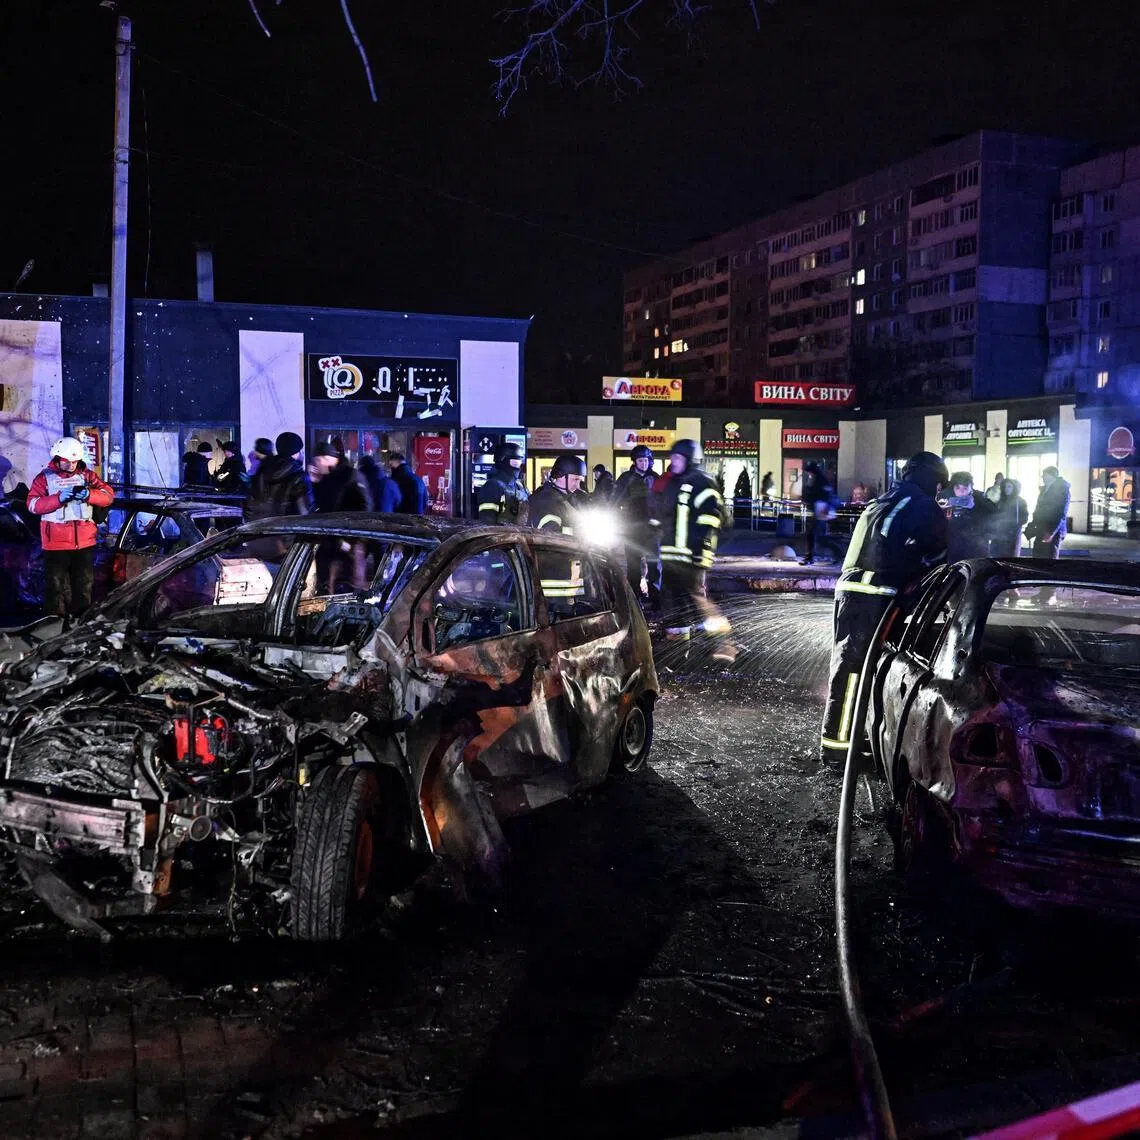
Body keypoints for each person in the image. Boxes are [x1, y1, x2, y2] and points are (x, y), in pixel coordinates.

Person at [819, 451, 948, 769]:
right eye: (939, 486)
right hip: (877, 595)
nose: (938, 492)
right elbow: (938, 557)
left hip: (850, 590)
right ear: (932, 480)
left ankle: (850, 736)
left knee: (854, 668)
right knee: (855, 672)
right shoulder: (924, 505)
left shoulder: (885, 500)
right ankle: (838, 750)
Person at [657, 439, 736, 663]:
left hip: (693, 556)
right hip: (671, 555)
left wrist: (700, 546)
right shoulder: (674, 483)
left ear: (690, 459)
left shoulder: (703, 482)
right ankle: (677, 653)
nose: (673, 461)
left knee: (697, 602)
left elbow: (713, 516)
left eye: (677, 457)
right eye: (672, 457)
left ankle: (723, 646)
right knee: (673, 605)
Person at [27, 437, 114, 617]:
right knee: (55, 588)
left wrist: (89, 494)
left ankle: (79, 623)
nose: (71, 465)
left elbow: (107, 496)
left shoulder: (88, 476)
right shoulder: (44, 478)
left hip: (84, 543)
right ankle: (54, 623)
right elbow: (33, 505)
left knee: (83, 587)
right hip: (55, 545)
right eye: (67, 461)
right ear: (58, 458)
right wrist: (58, 499)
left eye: (74, 461)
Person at [613, 444, 658, 603]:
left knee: (654, 565)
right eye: (640, 461)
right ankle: (634, 599)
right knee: (633, 566)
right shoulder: (626, 478)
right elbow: (615, 500)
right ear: (634, 461)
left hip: (652, 529)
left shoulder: (655, 477)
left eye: (645, 460)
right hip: (632, 528)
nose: (643, 464)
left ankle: (656, 598)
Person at [243, 431, 314, 523]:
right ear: (296, 452)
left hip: (257, 528)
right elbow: (304, 513)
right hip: (284, 529)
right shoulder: (299, 475)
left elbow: (250, 505)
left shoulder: (262, 470)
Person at [941, 470, 997, 562]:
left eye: (965, 488)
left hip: (977, 551)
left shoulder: (980, 500)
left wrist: (974, 509)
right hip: (955, 551)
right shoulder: (947, 501)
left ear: (971, 487)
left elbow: (994, 519)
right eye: (957, 488)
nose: (961, 492)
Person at [529, 454, 586, 535]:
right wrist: (579, 533)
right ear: (560, 476)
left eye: (580, 481)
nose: (578, 485)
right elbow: (549, 534)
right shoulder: (546, 500)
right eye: (575, 479)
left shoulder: (569, 498)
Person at [309, 443, 372, 513]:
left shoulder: (351, 475)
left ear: (328, 459)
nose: (316, 464)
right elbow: (321, 505)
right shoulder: (325, 478)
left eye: (318, 460)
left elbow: (365, 506)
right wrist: (315, 483)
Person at [1024, 465, 1071, 559]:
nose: (1042, 477)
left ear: (1051, 475)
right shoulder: (1045, 490)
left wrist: (1051, 532)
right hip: (1042, 528)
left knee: (1050, 557)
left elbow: (1061, 513)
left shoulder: (1062, 490)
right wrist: (1033, 524)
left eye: (1044, 475)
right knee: (1038, 556)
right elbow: (1038, 509)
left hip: (1053, 530)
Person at [476, 442, 529, 525]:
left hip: (522, 532)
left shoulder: (521, 486)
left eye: (519, 462)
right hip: (502, 532)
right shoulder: (492, 487)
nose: (518, 466)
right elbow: (487, 521)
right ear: (502, 461)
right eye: (514, 462)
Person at [800, 462, 839, 565]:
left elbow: (821, 495)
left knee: (815, 535)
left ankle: (810, 558)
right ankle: (810, 557)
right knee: (816, 536)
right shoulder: (819, 480)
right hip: (820, 511)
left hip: (821, 512)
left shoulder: (820, 480)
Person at [993, 478, 1028, 557]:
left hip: (1013, 534)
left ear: (1014, 488)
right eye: (1005, 487)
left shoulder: (1020, 501)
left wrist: (1014, 524)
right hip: (1000, 534)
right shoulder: (1000, 501)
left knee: (1011, 556)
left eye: (1009, 486)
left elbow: (1024, 517)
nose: (1006, 489)